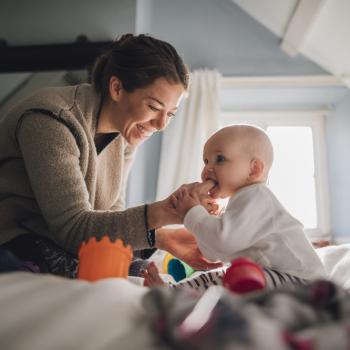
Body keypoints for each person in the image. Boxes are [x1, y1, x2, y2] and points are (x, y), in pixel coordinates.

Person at [0, 33, 221, 277]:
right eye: (154, 107)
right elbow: (73, 229)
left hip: (65, 244)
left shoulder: (124, 136)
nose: (160, 125)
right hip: (19, 244)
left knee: (144, 275)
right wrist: (165, 211)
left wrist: (161, 237)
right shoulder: (50, 120)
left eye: (170, 114)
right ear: (117, 88)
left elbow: (109, 217)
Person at [144, 124, 326, 290]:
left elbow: (223, 240)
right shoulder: (239, 203)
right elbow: (214, 253)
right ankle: (173, 293)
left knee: (228, 283)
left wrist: (192, 212)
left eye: (220, 159)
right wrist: (209, 221)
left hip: (300, 282)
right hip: (274, 276)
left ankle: (176, 299)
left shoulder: (257, 197)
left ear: (253, 170)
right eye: (206, 161)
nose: (207, 169)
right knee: (216, 275)